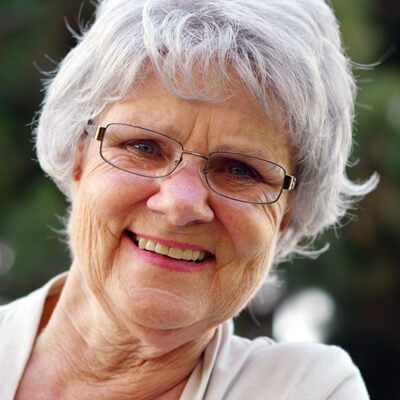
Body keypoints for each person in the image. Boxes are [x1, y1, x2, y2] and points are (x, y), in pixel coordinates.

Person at [0, 0, 378, 398]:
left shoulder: (306, 391)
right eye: (144, 146)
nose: (181, 204)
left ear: (287, 212)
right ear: (78, 154)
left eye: (238, 170)